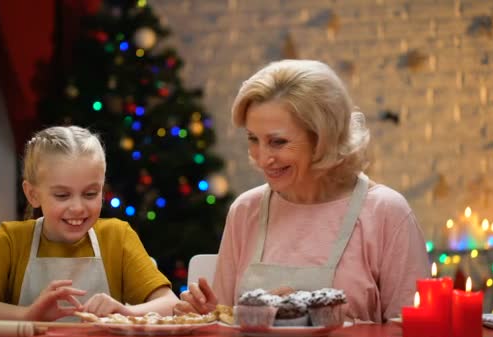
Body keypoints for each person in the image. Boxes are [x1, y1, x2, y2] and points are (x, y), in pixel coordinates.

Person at [174, 60, 430, 323]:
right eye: (253, 139)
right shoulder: (245, 210)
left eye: (278, 142)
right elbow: (225, 319)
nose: (262, 158)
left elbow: (413, 331)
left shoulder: (385, 212)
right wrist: (210, 318)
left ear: (323, 138)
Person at [0, 126, 178, 321]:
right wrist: (27, 315)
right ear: (32, 194)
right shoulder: (12, 240)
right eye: (62, 195)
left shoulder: (118, 236)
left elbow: (171, 304)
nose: (78, 207)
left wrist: (126, 312)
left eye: (90, 194)